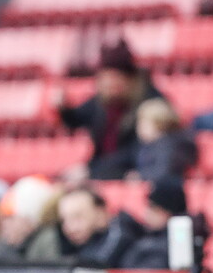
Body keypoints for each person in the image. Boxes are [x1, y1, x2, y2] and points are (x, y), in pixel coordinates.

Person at [55, 38, 166, 180]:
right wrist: (64, 109)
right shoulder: (101, 101)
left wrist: (91, 171)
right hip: (101, 168)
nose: (108, 84)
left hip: (131, 172)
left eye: (114, 78)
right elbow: (76, 119)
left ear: (129, 79)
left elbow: (136, 151)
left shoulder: (149, 103)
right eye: (105, 78)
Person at [56, 186, 142, 268]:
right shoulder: (77, 243)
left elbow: (95, 267)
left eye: (78, 217)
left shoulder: (120, 234)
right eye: (63, 220)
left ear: (100, 213)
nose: (69, 227)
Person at [120, 178, 187, 269]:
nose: (147, 213)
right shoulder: (142, 234)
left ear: (169, 213)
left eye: (153, 208)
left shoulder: (168, 246)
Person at [131, 98, 198, 184]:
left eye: (143, 124)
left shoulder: (173, 144)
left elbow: (164, 172)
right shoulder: (147, 145)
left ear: (159, 124)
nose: (139, 128)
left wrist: (140, 176)